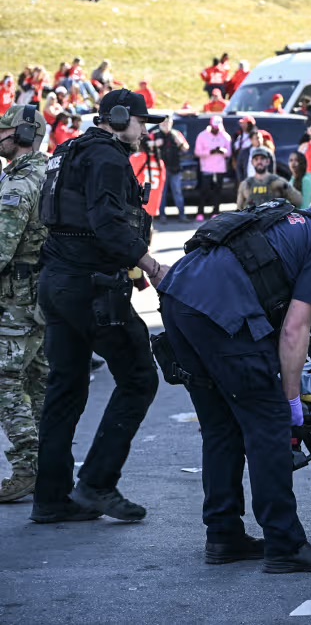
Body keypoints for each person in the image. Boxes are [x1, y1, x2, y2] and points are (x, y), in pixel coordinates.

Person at [158, 177, 311, 573]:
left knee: (222, 427)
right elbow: (295, 330)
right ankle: (285, 545)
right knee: (270, 424)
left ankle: (224, 536)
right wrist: (291, 400)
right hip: (221, 316)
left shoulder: (291, 227)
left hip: (179, 301)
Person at [32, 89, 167, 524]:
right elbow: (106, 222)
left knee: (65, 388)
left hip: (58, 281)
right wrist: (149, 263)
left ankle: (51, 498)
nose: (145, 131)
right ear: (120, 117)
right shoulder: (108, 158)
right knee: (139, 377)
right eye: (142, 122)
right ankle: (96, 484)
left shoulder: (67, 149)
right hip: (91, 287)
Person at [0, 106, 50, 503]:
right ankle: (48, 465)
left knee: (6, 381)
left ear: (23, 132)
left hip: (16, 299)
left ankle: (25, 467)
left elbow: (3, 246)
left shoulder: (20, 182)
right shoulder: (46, 172)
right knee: (37, 379)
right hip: (39, 295)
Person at [150, 116, 190, 222]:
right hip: (160, 169)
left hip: (175, 168)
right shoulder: (154, 134)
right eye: (163, 123)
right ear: (159, 124)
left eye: (168, 122)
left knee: (177, 192)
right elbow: (144, 146)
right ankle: (162, 216)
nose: (166, 125)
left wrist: (179, 142)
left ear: (171, 124)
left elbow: (186, 148)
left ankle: (182, 215)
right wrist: (154, 144)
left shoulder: (176, 134)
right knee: (162, 193)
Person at [237, 148, 301, 210]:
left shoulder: (279, 181)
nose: (259, 162)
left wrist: (285, 187)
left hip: (274, 219)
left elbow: (298, 200)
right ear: (252, 162)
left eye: (262, 159)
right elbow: (239, 210)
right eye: (256, 159)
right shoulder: (245, 184)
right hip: (254, 219)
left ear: (267, 161)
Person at [193, 116, 230, 221]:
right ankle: (200, 212)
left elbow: (229, 152)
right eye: (215, 127)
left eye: (218, 127)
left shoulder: (225, 136)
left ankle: (215, 211)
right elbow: (197, 152)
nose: (216, 129)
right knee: (204, 191)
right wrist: (210, 152)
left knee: (217, 191)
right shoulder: (202, 136)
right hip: (207, 168)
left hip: (220, 169)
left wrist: (223, 151)